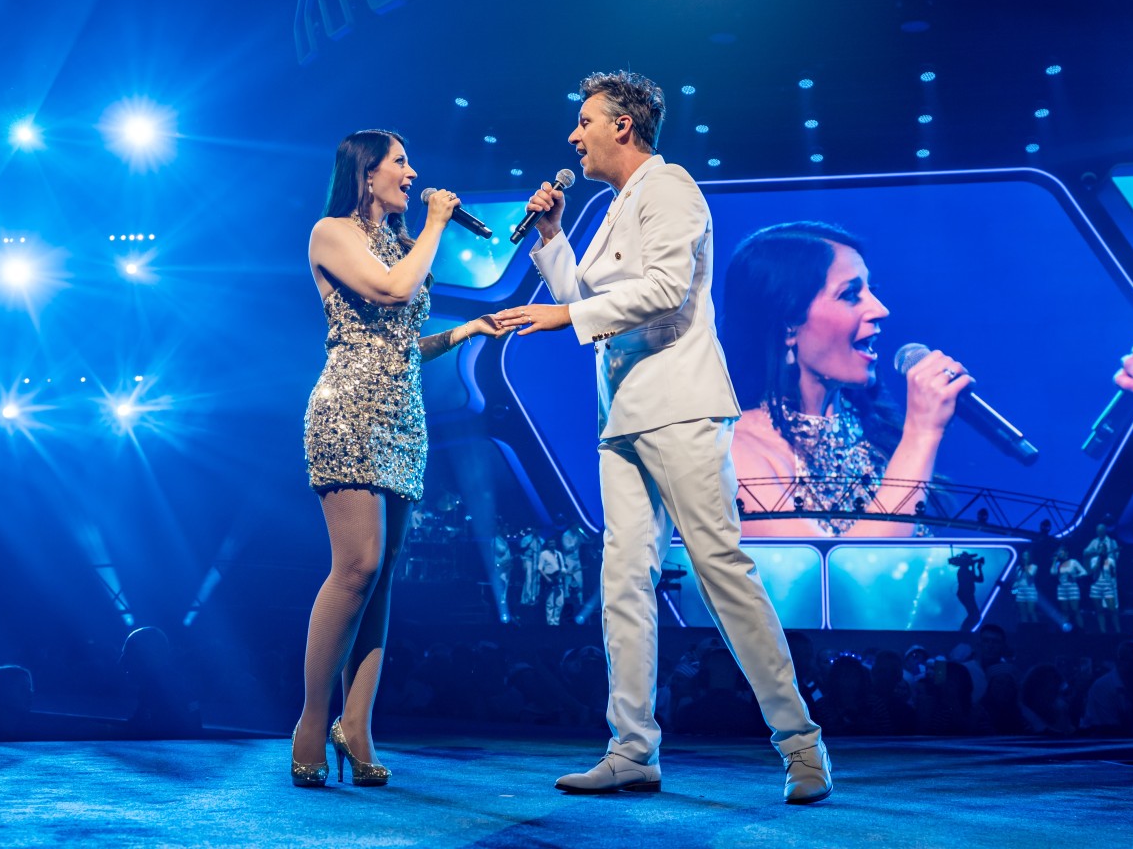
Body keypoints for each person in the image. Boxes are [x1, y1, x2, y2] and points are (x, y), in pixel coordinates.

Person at [495, 70, 829, 804]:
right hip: (622, 415)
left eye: (585, 121)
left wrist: (566, 317)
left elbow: (664, 290)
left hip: (680, 406)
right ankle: (631, 749)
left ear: (623, 125)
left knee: (720, 570)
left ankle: (801, 744)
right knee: (622, 582)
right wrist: (551, 240)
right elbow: (588, 301)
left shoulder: (670, 188)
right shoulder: (616, 206)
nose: (573, 136)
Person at [292, 129, 505, 788]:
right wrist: (436, 225)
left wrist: (464, 331)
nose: (413, 174)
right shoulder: (332, 233)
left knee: (381, 578)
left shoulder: (397, 244)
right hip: (349, 409)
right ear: (367, 173)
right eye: (401, 162)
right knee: (356, 566)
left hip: (402, 417)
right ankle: (311, 722)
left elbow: (403, 339)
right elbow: (389, 293)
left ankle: (356, 726)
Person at [719, 222, 973, 538]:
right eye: (851, 294)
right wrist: (922, 433)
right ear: (788, 326)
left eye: (871, 291)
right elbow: (838, 567)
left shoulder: (879, 435)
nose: (881, 310)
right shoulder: (730, 454)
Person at [1051, 548, 1087, 631]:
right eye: (1059, 553)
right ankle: (1066, 630)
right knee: (1064, 610)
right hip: (1062, 588)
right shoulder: (1058, 564)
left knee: (1075, 610)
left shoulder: (1073, 562)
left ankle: (1081, 630)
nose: (1060, 554)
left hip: (1072, 587)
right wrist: (1054, 561)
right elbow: (1053, 572)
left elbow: (1084, 572)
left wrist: (1076, 576)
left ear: (1066, 553)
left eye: (1062, 552)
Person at [1089, 551, 1120, 633]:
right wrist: (1099, 560)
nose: (1102, 550)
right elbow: (1093, 570)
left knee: (1113, 610)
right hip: (1096, 586)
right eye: (1100, 548)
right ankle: (1103, 631)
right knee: (1099, 611)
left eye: (1103, 548)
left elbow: (1113, 575)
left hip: (1108, 586)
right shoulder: (1094, 559)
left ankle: (1118, 631)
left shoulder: (1111, 560)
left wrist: (1114, 586)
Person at [1011, 550, 1040, 624]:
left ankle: (1036, 628)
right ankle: (1025, 628)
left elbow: (1029, 576)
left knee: (1031, 611)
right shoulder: (1018, 568)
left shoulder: (1034, 566)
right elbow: (1017, 579)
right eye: (1023, 555)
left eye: (1026, 556)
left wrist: (1026, 566)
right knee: (1023, 613)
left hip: (1030, 590)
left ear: (1030, 557)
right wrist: (1014, 588)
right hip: (1020, 591)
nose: (1024, 557)